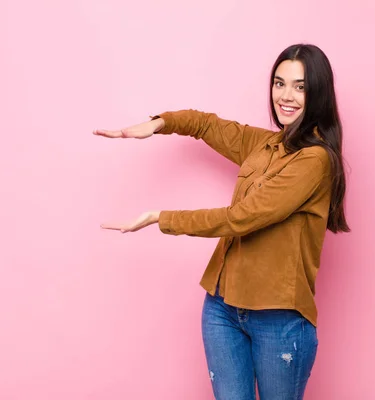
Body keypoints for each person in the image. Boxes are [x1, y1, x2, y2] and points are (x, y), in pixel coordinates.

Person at [93, 43, 350, 400]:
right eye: (279, 83)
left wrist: (160, 218)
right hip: (222, 309)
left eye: (300, 86)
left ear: (318, 92)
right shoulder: (264, 145)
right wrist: (159, 123)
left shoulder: (315, 161)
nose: (286, 96)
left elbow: (243, 217)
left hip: (278, 317)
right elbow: (206, 124)